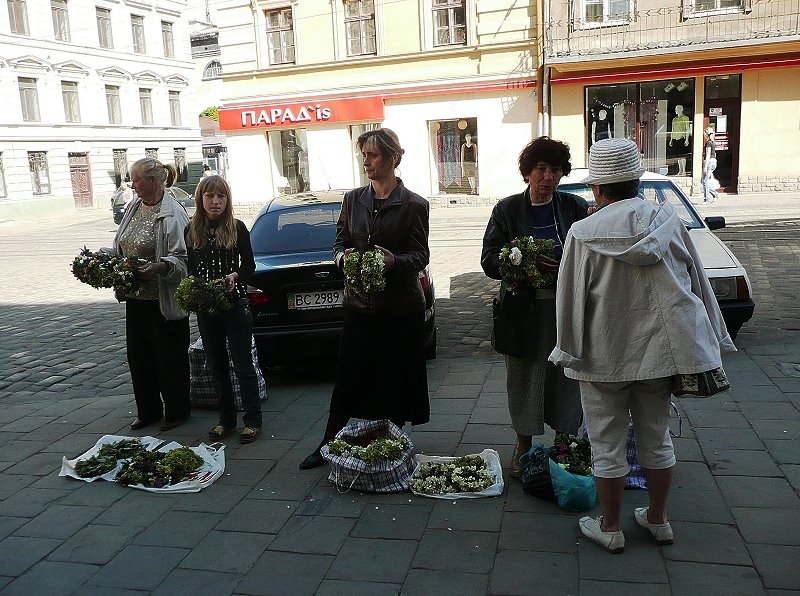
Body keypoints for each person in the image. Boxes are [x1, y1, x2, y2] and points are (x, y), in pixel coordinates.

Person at [549, 138, 736, 554]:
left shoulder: (583, 232)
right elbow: (697, 282)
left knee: (606, 442)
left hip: (601, 356)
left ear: (597, 188)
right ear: (636, 181)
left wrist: (568, 350)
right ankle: (658, 519)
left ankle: (611, 526)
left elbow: (570, 297)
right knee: (656, 438)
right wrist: (713, 338)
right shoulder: (667, 220)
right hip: (660, 354)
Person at [299, 128, 431, 469]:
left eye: (372, 155)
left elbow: (420, 256)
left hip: (400, 309)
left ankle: (390, 448)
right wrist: (344, 259)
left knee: (393, 379)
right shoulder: (353, 199)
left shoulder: (415, 205)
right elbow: (340, 242)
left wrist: (393, 262)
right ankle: (328, 444)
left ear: (392, 159)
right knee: (348, 377)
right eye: (364, 155)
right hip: (359, 306)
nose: (366, 161)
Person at [480, 136, 590, 478]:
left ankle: (564, 444)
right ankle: (523, 445)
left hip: (565, 307)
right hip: (523, 312)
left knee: (566, 376)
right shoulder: (507, 209)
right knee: (524, 377)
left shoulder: (573, 207)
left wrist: (568, 265)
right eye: (541, 169)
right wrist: (524, 260)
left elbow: (590, 252)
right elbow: (488, 261)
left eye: (555, 169)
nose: (548, 177)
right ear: (528, 172)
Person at [105, 157, 191, 431]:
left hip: (164, 301)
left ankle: (177, 411)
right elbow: (122, 244)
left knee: (169, 359)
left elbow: (184, 258)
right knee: (139, 357)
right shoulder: (133, 206)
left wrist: (161, 267)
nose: (132, 184)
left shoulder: (173, 212)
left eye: (136, 179)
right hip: (136, 298)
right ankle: (149, 410)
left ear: (153, 181)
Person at [186, 175, 262, 444]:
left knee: (242, 365)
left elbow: (250, 267)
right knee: (216, 367)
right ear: (201, 199)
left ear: (227, 200)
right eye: (210, 196)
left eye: (220, 196)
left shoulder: (237, 228)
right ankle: (226, 419)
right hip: (207, 306)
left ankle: (252, 420)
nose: (215, 201)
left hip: (236, 304)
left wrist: (235, 277)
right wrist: (194, 288)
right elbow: (192, 269)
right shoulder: (191, 230)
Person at [668, 105, 691, 175]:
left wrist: (687, 139)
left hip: (682, 138)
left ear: (681, 109)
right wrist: (671, 139)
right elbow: (672, 130)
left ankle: (684, 170)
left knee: (683, 156)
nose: (675, 110)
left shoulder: (686, 118)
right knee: (678, 156)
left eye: (677, 109)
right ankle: (680, 170)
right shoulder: (674, 119)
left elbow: (687, 129)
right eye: (675, 109)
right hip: (675, 139)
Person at [702, 127, 719, 203]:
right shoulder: (713, 142)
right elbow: (714, 154)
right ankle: (714, 194)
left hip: (709, 162)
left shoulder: (708, 143)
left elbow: (708, 154)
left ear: (706, 134)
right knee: (705, 181)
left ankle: (707, 199)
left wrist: (705, 166)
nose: (704, 136)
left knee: (705, 181)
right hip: (714, 161)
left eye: (704, 134)